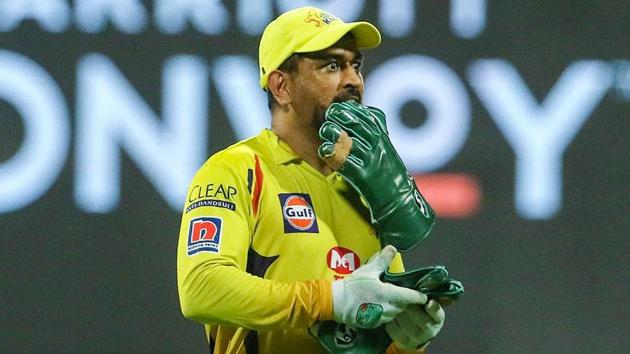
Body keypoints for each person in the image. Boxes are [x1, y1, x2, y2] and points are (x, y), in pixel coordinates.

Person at [177, 6, 445, 354]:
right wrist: (329, 299)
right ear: (281, 86)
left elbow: (368, 331)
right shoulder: (238, 170)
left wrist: (408, 341)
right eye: (331, 65)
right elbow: (201, 288)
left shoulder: (366, 188)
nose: (353, 80)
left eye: (356, 65)